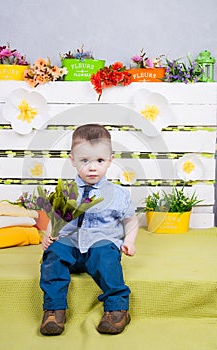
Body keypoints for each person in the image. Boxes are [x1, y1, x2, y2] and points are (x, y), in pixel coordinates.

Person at [40, 124, 139, 336]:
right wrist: (48, 235)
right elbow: (55, 218)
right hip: (72, 246)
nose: (92, 167)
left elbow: (131, 220)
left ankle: (117, 308)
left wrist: (129, 241)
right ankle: (54, 309)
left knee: (105, 256)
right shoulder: (67, 191)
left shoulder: (118, 194)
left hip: (99, 245)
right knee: (54, 254)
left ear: (110, 160)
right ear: (73, 160)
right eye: (85, 161)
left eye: (99, 161)